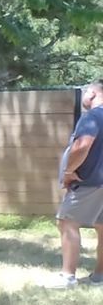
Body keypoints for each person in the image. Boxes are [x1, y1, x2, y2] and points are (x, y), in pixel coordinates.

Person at [54, 81, 103, 287]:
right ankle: (100, 277)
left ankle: (67, 277)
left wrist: (69, 171)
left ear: (92, 93)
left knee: (67, 222)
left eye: (85, 93)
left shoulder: (92, 117)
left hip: (89, 182)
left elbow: (82, 146)